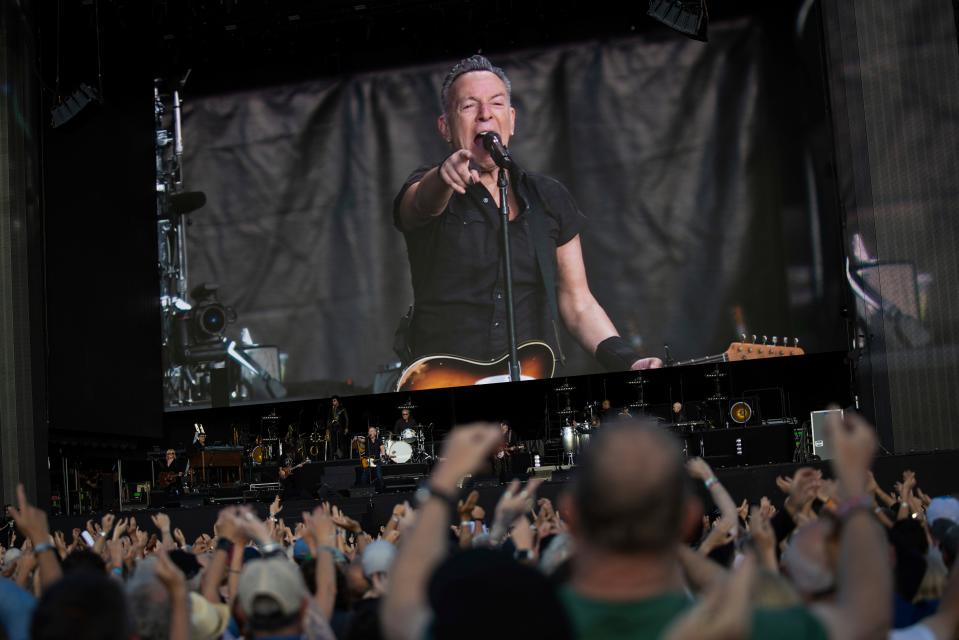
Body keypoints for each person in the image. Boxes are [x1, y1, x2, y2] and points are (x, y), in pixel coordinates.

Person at [393, 54, 662, 375]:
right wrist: (442, 176)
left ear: (512, 119)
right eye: (468, 106)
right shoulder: (431, 184)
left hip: (530, 378)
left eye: (496, 104)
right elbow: (420, 204)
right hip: (444, 384)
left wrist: (626, 359)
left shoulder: (547, 197)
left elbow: (577, 302)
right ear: (445, 127)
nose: (484, 116)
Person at [557, 414, 892, 640]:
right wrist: (853, 489)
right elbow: (867, 616)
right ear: (688, 519)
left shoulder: (520, 618)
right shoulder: (739, 628)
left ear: (570, 513)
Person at [360, 426, 386, 492]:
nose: (371, 432)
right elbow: (361, 439)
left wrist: (383, 456)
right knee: (364, 477)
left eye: (372, 431)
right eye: (370, 431)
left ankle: (382, 490)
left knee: (379, 476)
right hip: (368, 461)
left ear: (375, 433)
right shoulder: (366, 440)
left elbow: (382, 449)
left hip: (376, 460)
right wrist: (357, 438)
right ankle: (364, 490)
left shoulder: (379, 441)